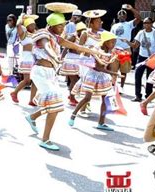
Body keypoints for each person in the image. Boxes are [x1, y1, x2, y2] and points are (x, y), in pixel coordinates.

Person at [24, 9, 101, 151]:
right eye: (60, 26)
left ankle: (33, 117)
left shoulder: (57, 37)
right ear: (52, 25)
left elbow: (76, 46)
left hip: (51, 74)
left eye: (64, 26)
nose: (62, 28)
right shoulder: (44, 34)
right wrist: (54, 55)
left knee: (56, 104)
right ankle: (45, 139)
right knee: (55, 105)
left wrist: (95, 51)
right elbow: (47, 47)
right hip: (40, 72)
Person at [69, 31, 119, 131]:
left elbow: (109, 66)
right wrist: (114, 74)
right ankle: (73, 114)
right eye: (111, 42)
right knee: (87, 98)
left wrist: (114, 74)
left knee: (106, 99)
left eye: (115, 42)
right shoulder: (97, 51)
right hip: (92, 75)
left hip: (103, 76)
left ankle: (101, 122)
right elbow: (98, 68)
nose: (113, 44)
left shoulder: (110, 52)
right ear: (105, 42)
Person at [125, 17, 155, 102]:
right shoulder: (141, 33)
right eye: (144, 23)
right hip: (141, 57)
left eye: (148, 23)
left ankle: (148, 96)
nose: (146, 24)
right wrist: (127, 42)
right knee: (137, 75)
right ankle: (138, 96)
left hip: (152, 58)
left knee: (149, 77)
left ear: (151, 24)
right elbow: (135, 46)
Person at [110, 4, 141, 91]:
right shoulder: (114, 26)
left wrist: (131, 9)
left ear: (126, 16)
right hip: (115, 49)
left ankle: (121, 87)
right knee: (113, 70)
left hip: (125, 50)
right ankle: (113, 86)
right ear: (117, 16)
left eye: (123, 14)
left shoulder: (129, 24)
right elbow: (111, 38)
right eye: (120, 14)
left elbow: (139, 18)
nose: (122, 15)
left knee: (124, 70)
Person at [10, 14, 38, 106]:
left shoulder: (35, 33)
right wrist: (21, 18)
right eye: (31, 25)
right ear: (26, 26)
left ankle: (32, 100)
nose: (33, 26)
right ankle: (14, 92)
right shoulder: (23, 33)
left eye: (34, 24)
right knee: (27, 80)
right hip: (27, 58)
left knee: (35, 80)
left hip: (34, 57)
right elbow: (18, 25)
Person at [60, 21, 86, 106]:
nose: (83, 32)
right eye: (81, 30)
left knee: (77, 80)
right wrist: (61, 58)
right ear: (78, 30)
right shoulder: (73, 37)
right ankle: (72, 98)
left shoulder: (83, 37)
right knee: (74, 80)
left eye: (84, 30)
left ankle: (71, 95)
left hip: (78, 61)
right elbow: (65, 48)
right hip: (71, 59)